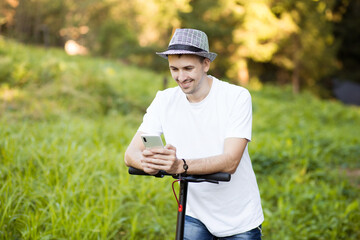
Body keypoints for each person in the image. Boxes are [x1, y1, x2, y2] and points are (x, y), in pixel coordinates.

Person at [124, 28, 264, 240]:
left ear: (206, 64)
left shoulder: (236, 97)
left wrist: (180, 166)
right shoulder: (164, 100)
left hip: (238, 218)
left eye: (188, 68)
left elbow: (230, 161)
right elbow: (130, 154)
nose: (181, 77)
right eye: (174, 69)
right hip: (193, 213)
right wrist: (149, 163)